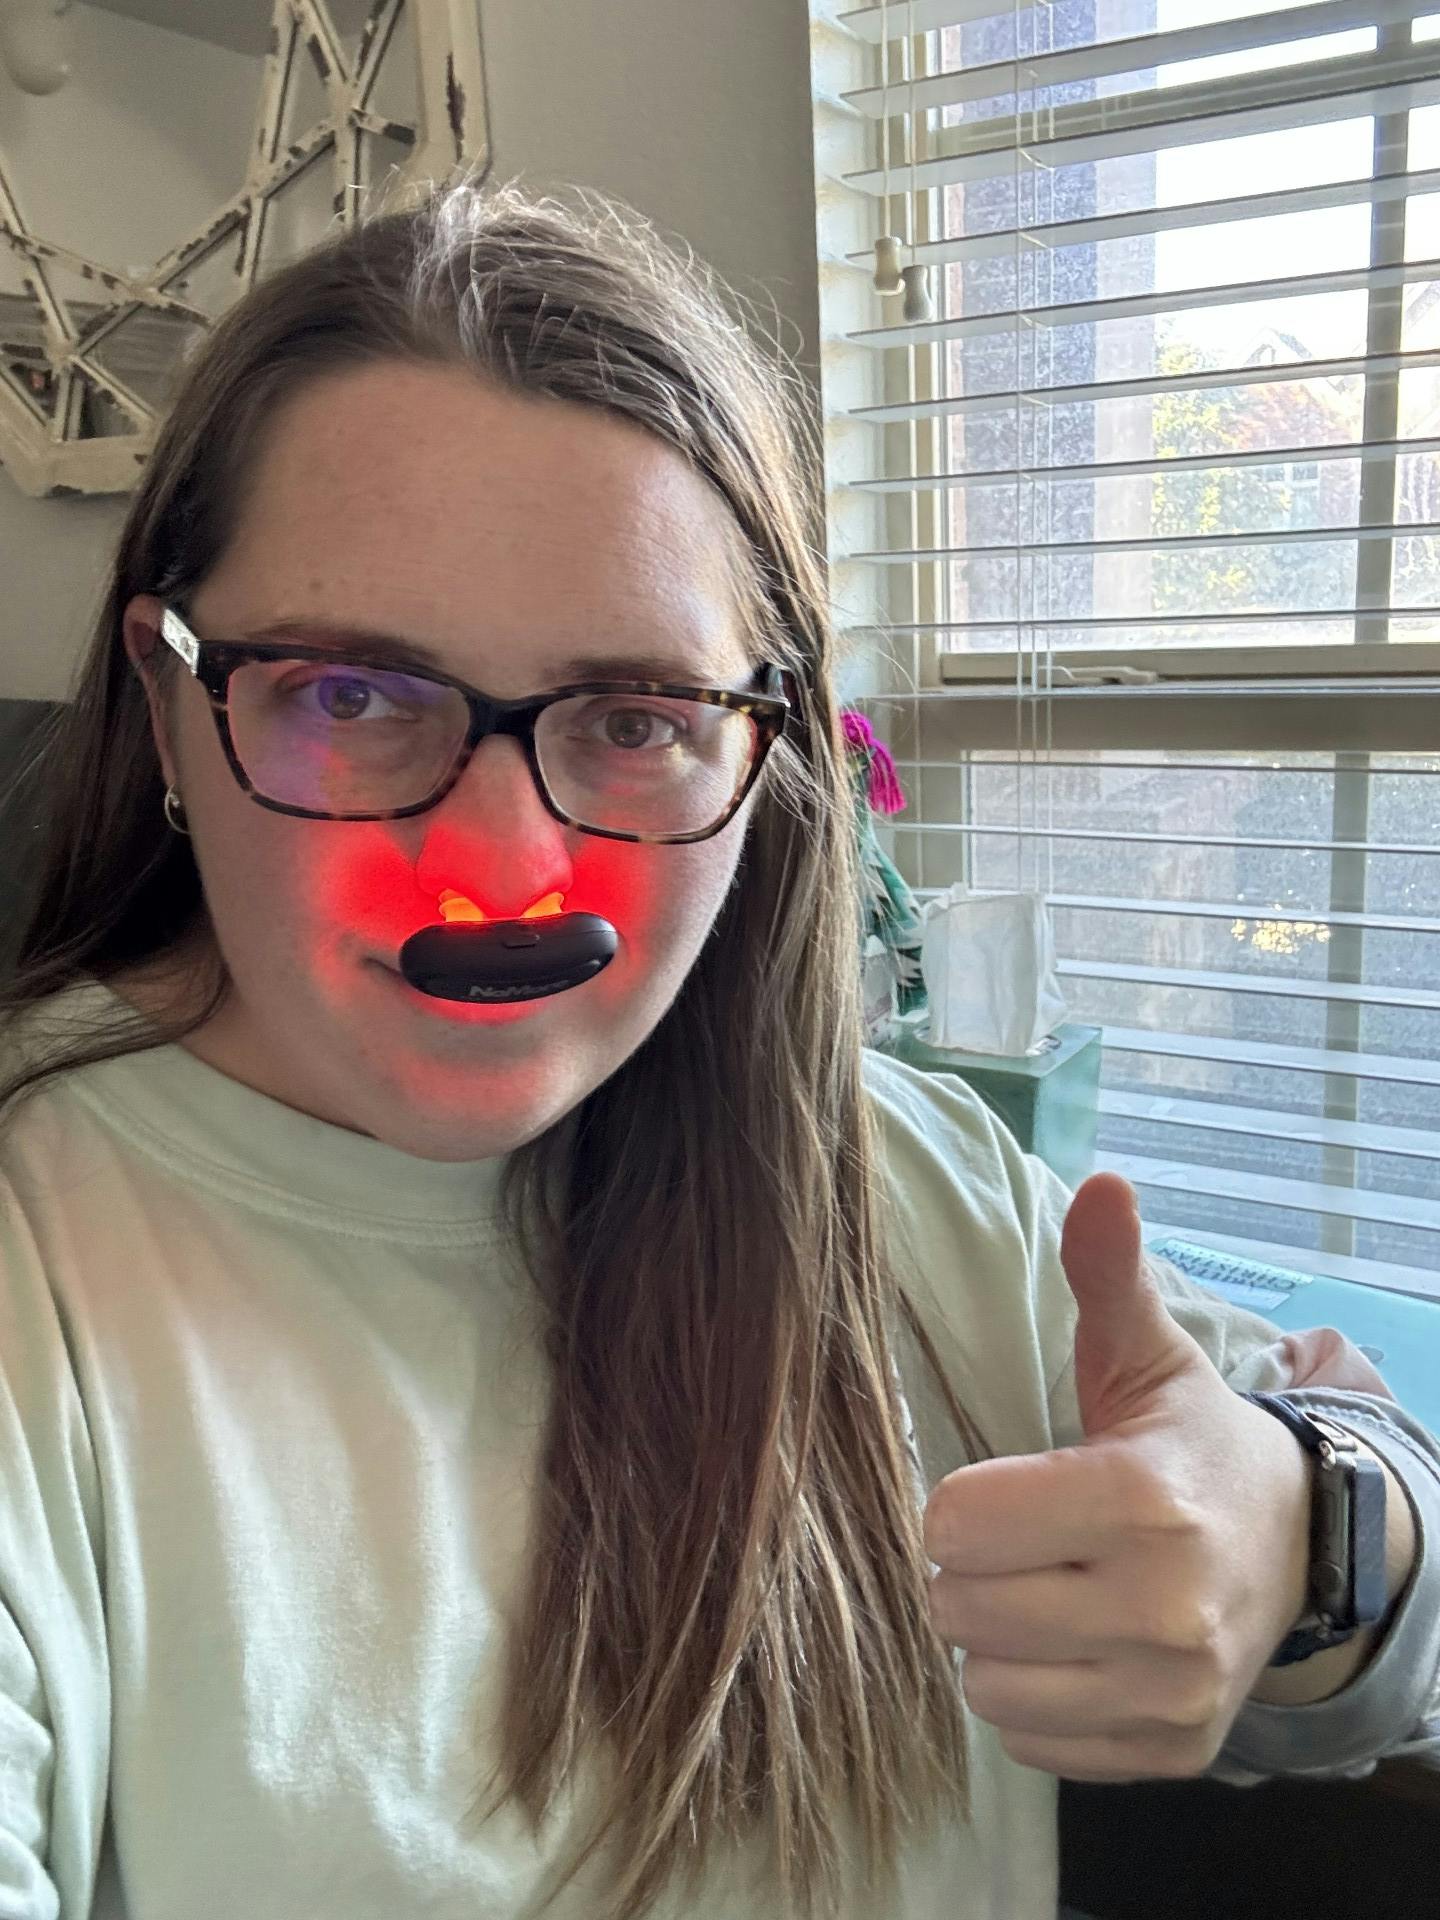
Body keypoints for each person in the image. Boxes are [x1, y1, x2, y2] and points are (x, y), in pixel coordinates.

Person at [0, 178, 1435, 1920]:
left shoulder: (908, 1179)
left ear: (764, 754)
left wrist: (1307, 1530)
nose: (502, 872)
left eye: (635, 720)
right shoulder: (39, 1276)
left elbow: (1384, 1509)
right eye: (352, 698)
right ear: (168, 704)